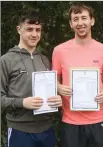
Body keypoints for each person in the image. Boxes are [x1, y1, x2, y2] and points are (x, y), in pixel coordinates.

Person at [52, 3, 103, 147]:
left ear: (92, 21)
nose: (80, 23)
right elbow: (54, 81)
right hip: (70, 121)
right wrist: (59, 88)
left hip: (98, 119)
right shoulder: (59, 51)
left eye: (84, 18)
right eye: (76, 19)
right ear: (70, 24)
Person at [1, 10, 62, 147]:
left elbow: (51, 92)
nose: (34, 34)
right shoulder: (6, 61)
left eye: (38, 30)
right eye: (29, 29)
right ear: (19, 29)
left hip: (47, 129)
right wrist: (23, 102)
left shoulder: (45, 60)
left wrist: (57, 99)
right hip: (20, 130)